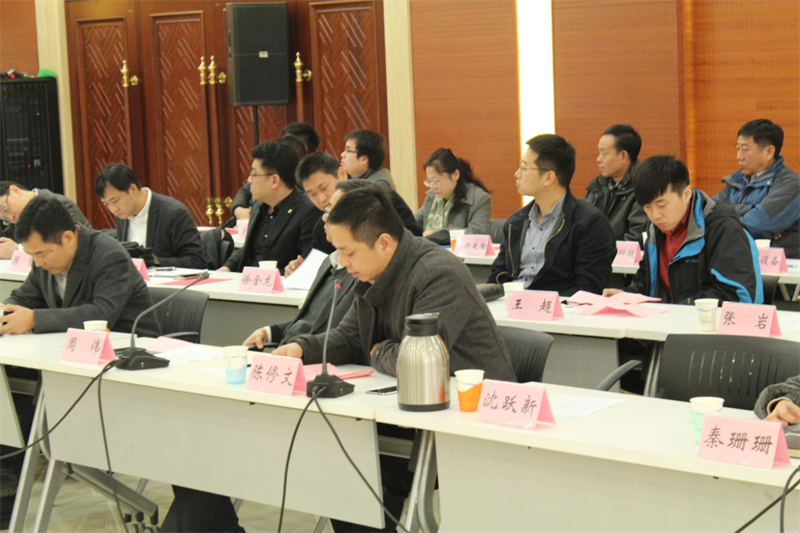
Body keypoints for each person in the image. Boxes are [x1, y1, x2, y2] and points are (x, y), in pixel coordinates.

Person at [604, 155, 763, 304]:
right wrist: (626, 295)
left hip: (707, 322)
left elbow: (737, 294)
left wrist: (678, 311)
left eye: (662, 205)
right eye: (647, 207)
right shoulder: (656, 230)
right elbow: (647, 284)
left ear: (686, 194)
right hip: (670, 320)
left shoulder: (723, 227)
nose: (655, 215)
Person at [0, 197, 160, 337]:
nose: (37, 263)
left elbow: (101, 314)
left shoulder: (109, 255)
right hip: (71, 347)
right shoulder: (42, 260)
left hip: (130, 347)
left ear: (68, 238)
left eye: (40, 253)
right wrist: (5, 310)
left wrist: (35, 319)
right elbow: (25, 297)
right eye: (31, 254)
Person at [487, 134, 616, 296]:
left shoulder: (590, 223)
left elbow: (588, 289)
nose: (517, 174)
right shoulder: (516, 222)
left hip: (558, 308)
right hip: (511, 305)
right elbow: (498, 276)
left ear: (548, 178)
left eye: (524, 168)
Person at [286, 152, 420, 270]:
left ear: (342, 174)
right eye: (312, 194)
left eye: (323, 188)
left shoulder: (377, 198)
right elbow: (324, 266)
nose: (321, 198)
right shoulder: (321, 227)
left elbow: (411, 240)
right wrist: (304, 270)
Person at [220, 141, 319, 273]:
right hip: (249, 281)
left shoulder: (308, 211)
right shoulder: (258, 206)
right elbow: (247, 250)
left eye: (254, 174)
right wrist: (225, 268)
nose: (249, 180)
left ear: (274, 181)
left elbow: (306, 264)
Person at [713, 119, 800, 258]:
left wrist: (725, 216)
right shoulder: (736, 180)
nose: (739, 156)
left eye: (745, 149)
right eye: (738, 148)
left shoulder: (789, 183)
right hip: (737, 260)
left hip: (779, 268)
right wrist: (750, 209)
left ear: (769, 152)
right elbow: (708, 212)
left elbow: (756, 224)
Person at [93, 164, 206, 268]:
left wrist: (155, 261)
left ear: (132, 189)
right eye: (106, 204)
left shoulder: (174, 213)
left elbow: (196, 261)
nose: (113, 209)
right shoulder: (123, 214)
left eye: (115, 201)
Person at [414, 148, 492, 244]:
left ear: (455, 174)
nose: (432, 187)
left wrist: (439, 235)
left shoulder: (480, 198)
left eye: (436, 181)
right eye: (429, 182)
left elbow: (478, 233)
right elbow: (412, 224)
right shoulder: (432, 197)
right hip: (430, 251)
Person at [584, 124, 647, 243]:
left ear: (623, 156)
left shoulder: (643, 187)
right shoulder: (597, 185)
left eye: (604, 153)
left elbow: (635, 239)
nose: (598, 159)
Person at [0, 181, 90, 259]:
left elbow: (77, 248)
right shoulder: (16, 219)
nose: (11, 218)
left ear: (15, 190)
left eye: (6, 209)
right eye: (5, 218)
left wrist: (19, 250)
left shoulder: (59, 206)